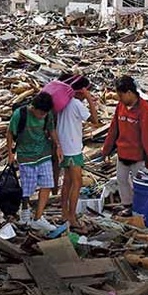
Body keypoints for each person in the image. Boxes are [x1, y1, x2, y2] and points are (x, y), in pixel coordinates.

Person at [6, 92, 63, 232]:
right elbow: (9, 133)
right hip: (26, 156)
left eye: (45, 113)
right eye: (41, 113)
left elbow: (51, 130)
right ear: (34, 108)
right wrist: (10, 154)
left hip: (43, 153)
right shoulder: (20, 114)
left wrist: (58, 146)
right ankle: (25, 211)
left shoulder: (47, 115)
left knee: (47, 184)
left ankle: (38, 217)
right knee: (27, 188)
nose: (42, 116)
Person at [101, 76, 148, 217]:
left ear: (130, 93)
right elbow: (114, 129)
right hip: (122, 153)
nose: (119, 98)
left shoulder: (144, 110)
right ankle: (127, 206)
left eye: (121, 95)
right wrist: (106, 149)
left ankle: (139, 208)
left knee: (139, 186)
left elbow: (147, 137)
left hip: (137, 156)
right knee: (122, 180)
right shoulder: (121, 106)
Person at [56, 74, 99, 229]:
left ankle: (64, 213)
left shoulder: (63, 102)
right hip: (73, 148)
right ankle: (72, 217)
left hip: (64, 147)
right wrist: (89, 99)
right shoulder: (76, 104)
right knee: (77, 182)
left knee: (67, 182)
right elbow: (95, 121)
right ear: (81, 90)